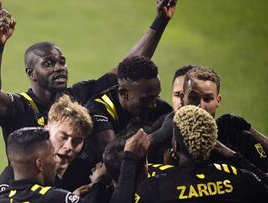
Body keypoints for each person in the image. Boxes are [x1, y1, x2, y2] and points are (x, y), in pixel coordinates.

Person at [0, 0, 178, 145]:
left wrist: (160, 22)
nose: (59, 67)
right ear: (31, 73)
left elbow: (124, 70)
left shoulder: (80, 95)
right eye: (49, 63)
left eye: (62, 62)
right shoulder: (20, 107)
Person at [115, 105, 268, 203]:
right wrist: (234, 156)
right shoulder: (242, 180)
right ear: (213, 142)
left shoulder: (154, 188)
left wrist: (129, 158)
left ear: (174, 145)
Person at [0, 95, 94, 194]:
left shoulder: (87, 174)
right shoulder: (20, 173)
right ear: (46, 131)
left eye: (77, 140)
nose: (69, 147)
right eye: (62, 137)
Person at [180, 66, 268, 171]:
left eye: (207, 99)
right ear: (182, 98)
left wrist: (248, 128)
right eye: (193, 98)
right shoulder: (168, 139)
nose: (200, 106)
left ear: (218, 101)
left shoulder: (240, 139)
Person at [85, 56, 172, 157]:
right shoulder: (98, 108)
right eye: (146, 99)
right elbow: (114, 157)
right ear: (123, 93)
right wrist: (160, 134)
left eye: (156, 95)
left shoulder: (155, 103)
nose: (154, 104)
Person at [0, 127, 98, 203]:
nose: (55, 161)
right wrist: (98, 183)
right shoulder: (56, 198)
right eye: (52, 156)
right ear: (40, 164)